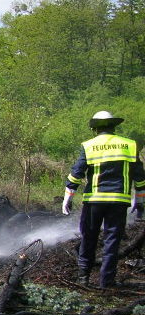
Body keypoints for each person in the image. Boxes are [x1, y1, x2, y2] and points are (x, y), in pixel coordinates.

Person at [62, 111, 145, 288]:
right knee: (112, 241)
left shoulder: (89, 145)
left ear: (95, 128)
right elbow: (140, 177)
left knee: (89, 237)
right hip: (118, 201)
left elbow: (77, 173)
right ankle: (106, 282)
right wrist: (139, 200)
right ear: (114, 126)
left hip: (94, 201)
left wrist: (68, 197)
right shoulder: (129, 145)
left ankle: (83, 277)